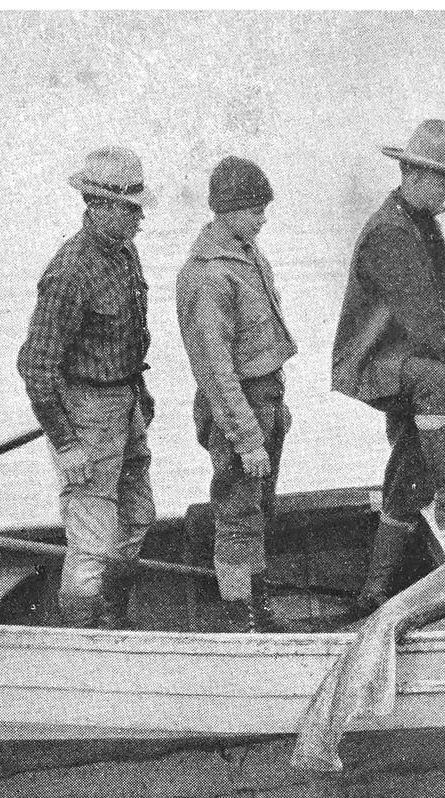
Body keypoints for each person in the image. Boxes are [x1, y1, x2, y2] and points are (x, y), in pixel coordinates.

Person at [331, 119, 445, 612]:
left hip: (399, 356)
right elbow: (422, 316)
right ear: (416, 176)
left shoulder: (419, 222)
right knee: (435, 376)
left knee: (409, 466)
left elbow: (430, 303)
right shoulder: (391, 231)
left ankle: (374, 594)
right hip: (371, 362)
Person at [17, 145, 158, 629]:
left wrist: (139, 397)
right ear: (101, 208)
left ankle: (113, 620)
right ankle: (82, 638)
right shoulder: (70, 271)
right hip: (86, 414)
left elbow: (129, 335)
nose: (140, 220)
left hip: (125, 402)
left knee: (138, 517)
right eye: (132, 209)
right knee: (93, 540)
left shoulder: (124, 254)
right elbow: (35, 366)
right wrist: (67, 443)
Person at [177, 157, 298, 633]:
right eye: (254, 209)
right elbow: (215, 370)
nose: (262, 218)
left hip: (264, 403)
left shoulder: (249, 257)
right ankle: (241, 624)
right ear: (226, 211)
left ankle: (259, 610)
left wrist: (273, 413)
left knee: (258, 511)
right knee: (237, 518)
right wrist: (247, 439)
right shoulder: (208, 275)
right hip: (237, 411)